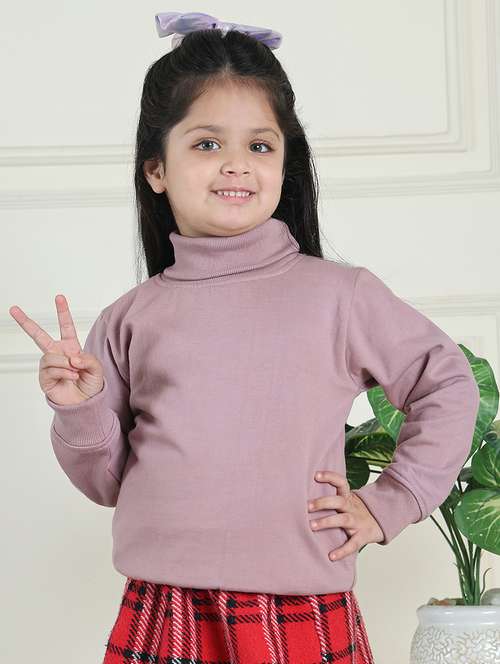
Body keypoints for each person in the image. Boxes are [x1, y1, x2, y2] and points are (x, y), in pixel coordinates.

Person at [9, 11, 480, 664]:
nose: (235, 164)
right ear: (156, 169)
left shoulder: (340, 296)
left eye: (260, 146)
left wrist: (391, 502)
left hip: (299, 609)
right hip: (163, 609)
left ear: (286, 164)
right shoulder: (128, 318)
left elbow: (447, 382)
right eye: (206, 144)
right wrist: (79, 409)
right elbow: (107, 483)